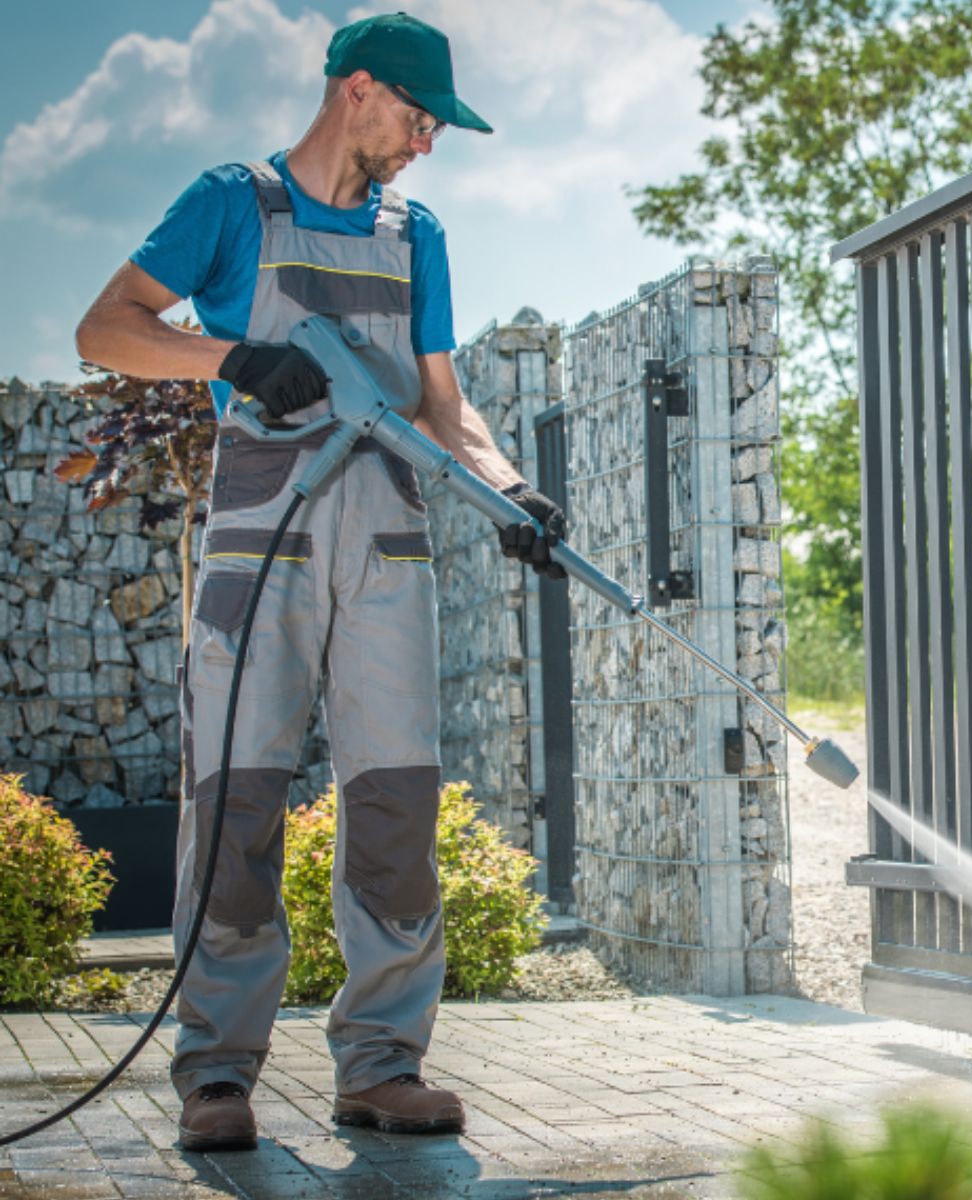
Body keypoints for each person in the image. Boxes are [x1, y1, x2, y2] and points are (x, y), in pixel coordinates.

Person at [75, 11, 566, 1153]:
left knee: (394, 800)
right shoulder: (230, 203)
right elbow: (108, 328)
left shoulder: (416, 232)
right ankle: (216, 1074)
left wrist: (511, 489)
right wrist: (231, 356)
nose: (427, 142)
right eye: (419, 115)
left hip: (387, 543)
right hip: (260, 541)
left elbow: (444, 407)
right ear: (356, 89)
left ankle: (384, 1066)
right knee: (236, 799)